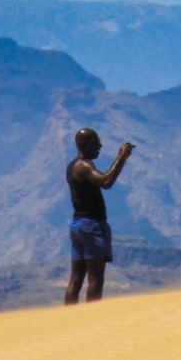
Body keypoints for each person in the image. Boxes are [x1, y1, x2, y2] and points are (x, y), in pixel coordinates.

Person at [64, 127, 135, 304]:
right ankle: (90, 319)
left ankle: (66, 319)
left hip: (78, 225)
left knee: (76, 278)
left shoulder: (72, 166)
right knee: (95, 279)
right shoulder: (83, 165)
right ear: (84, 144)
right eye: (96, 143)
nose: (100, 146)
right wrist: (121, 158)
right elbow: (106, 181)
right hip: (90, 226)